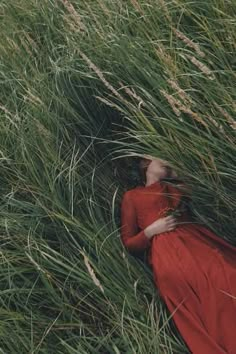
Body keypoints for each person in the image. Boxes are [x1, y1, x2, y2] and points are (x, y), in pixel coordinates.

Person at [120, 155, 236, 354]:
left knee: (228, 275)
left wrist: (175, 172)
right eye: (159, 156)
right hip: (168, 255)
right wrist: (151, 230)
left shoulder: (178, 187)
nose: (166, 159)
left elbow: (204, 185)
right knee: (201, 302)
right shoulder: (132, 196)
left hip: (198, 243)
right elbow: (129, 243)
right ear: (145, 162)